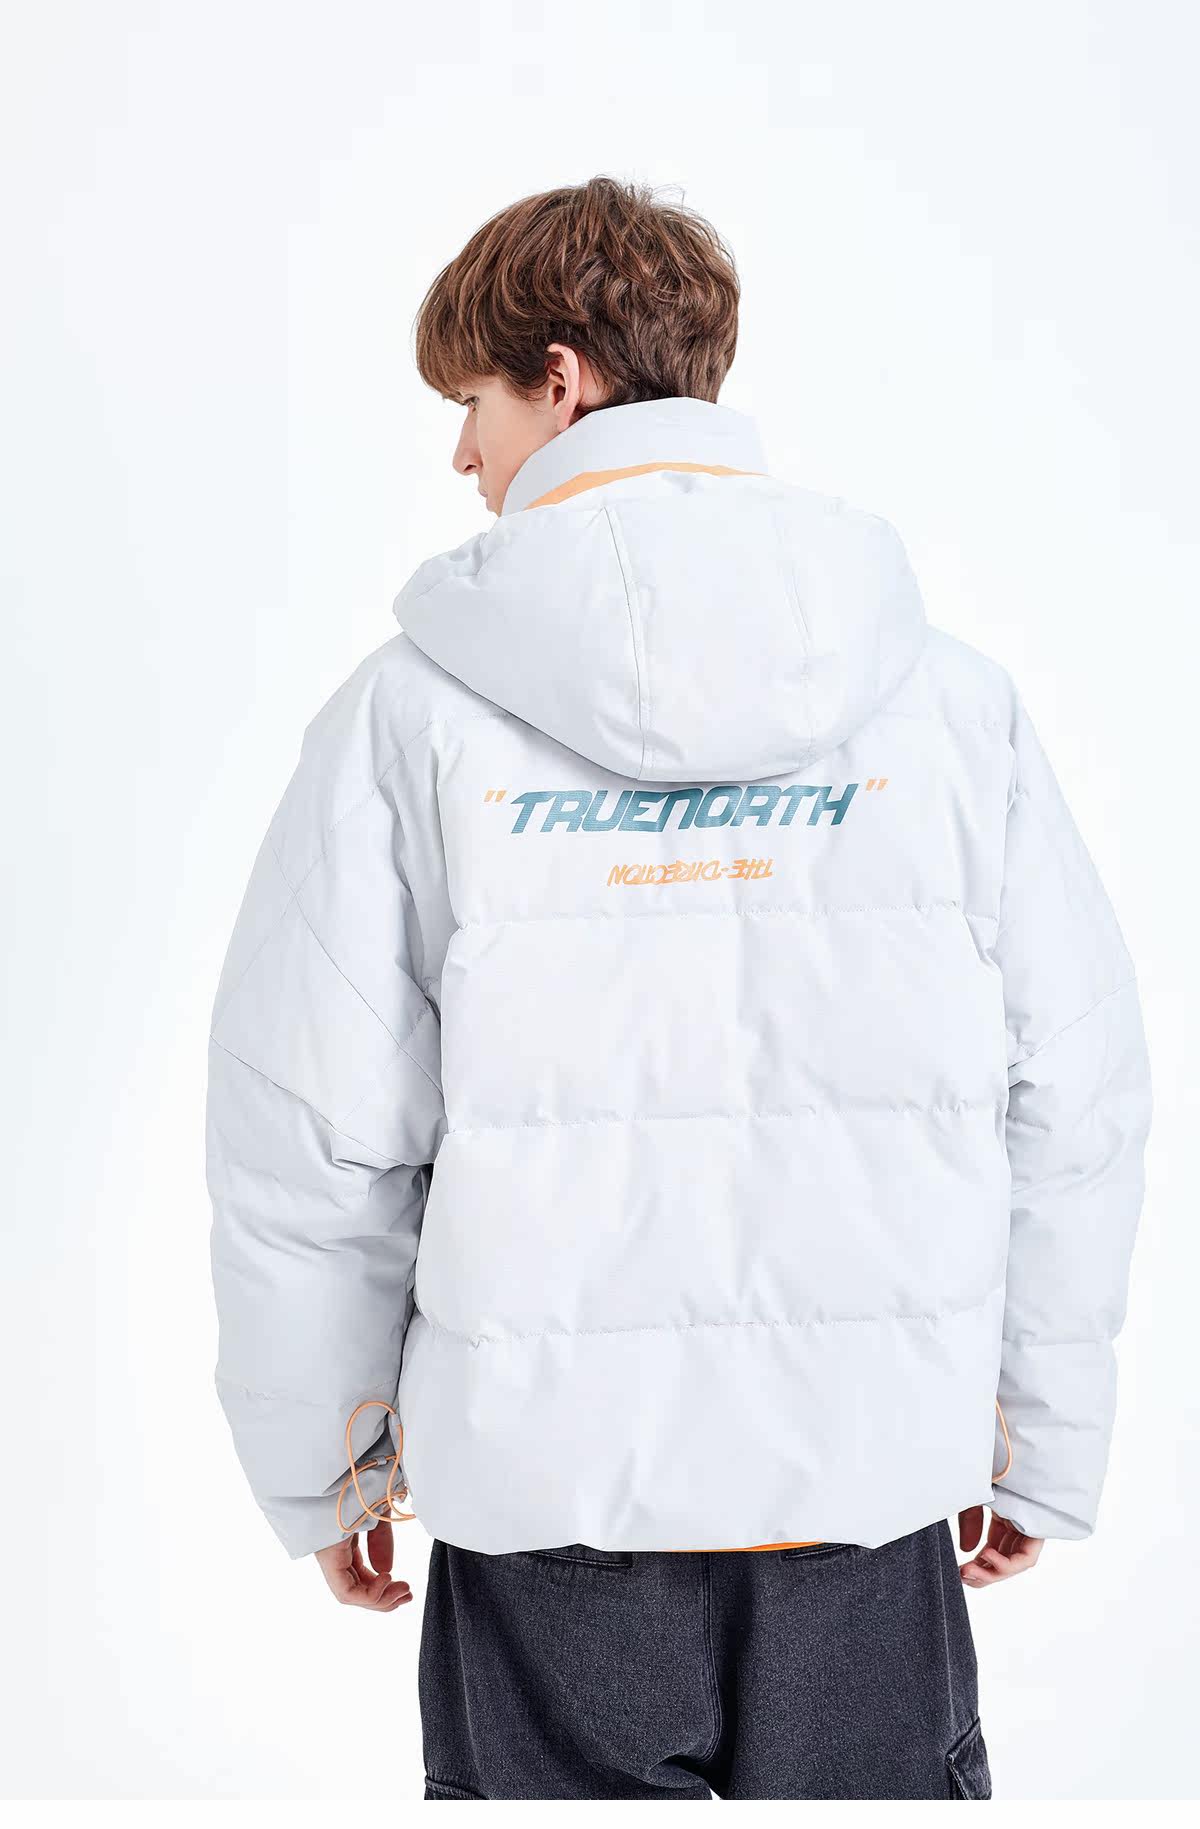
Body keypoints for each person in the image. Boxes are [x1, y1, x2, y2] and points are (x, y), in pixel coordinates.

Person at [205, 178, 1152, 1800]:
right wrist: (1035, 1436)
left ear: (561, 379)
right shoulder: (945, 705)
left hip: (549, 1528)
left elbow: (311, 1133)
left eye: (475, 403)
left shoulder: (408, 718)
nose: (463, 456)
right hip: (862, 1507)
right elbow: (1072, 1098)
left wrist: (337, 1461)